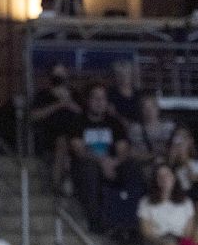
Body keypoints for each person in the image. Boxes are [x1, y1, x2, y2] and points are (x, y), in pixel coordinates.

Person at [69, 83, 129, 228]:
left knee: (131, 168)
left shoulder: (114, 123)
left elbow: (123, 150)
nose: (99, 102)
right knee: (90, 169)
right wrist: (102, 161)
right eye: (95, 98)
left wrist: (113, 162)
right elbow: (79, 150)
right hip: (86, 165)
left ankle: (129, 220)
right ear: (88, 101)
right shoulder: (78, 122)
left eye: (102, 99)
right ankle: (96, 220)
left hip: (111, 165)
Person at [138, 163, 194, 245]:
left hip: (180, 240)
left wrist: (181, 243)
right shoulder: (146, 202)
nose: (164, 179)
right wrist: (162, 241)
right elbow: (146, 230)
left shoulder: (186, 202)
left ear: (174, 178)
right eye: (160, 176)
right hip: (156, 241)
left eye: (167, 175)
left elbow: (189, 229)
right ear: (156, 180)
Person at [29, 63, 81, 192]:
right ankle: (57, 184)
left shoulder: (75, 95)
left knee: (69, 143)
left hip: (75, 133)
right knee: (62, 141)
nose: (59, 77)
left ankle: (67, 181)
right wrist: (58, 104)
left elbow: (84, 114)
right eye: (56, 74)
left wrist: (69, 103)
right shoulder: (43, 95)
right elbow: (34, 116)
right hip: (50, 134)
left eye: (62, 74)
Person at [127, 93, 175, 162]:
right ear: (141, 110)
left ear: (157, 108)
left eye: (152, 107)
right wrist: (151, 157)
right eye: (145, 108)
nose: (149, 111)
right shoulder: (135, 129)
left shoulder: (169, 127)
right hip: (144, 165)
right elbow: (132, 153)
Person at [168, 124, 198, 200]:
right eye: (177, 137)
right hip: (175, 196)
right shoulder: (168, 160)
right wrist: (171, 159)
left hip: (195, 195)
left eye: (183, 137)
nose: (180, 142)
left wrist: (184, 159)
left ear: (190, 140)